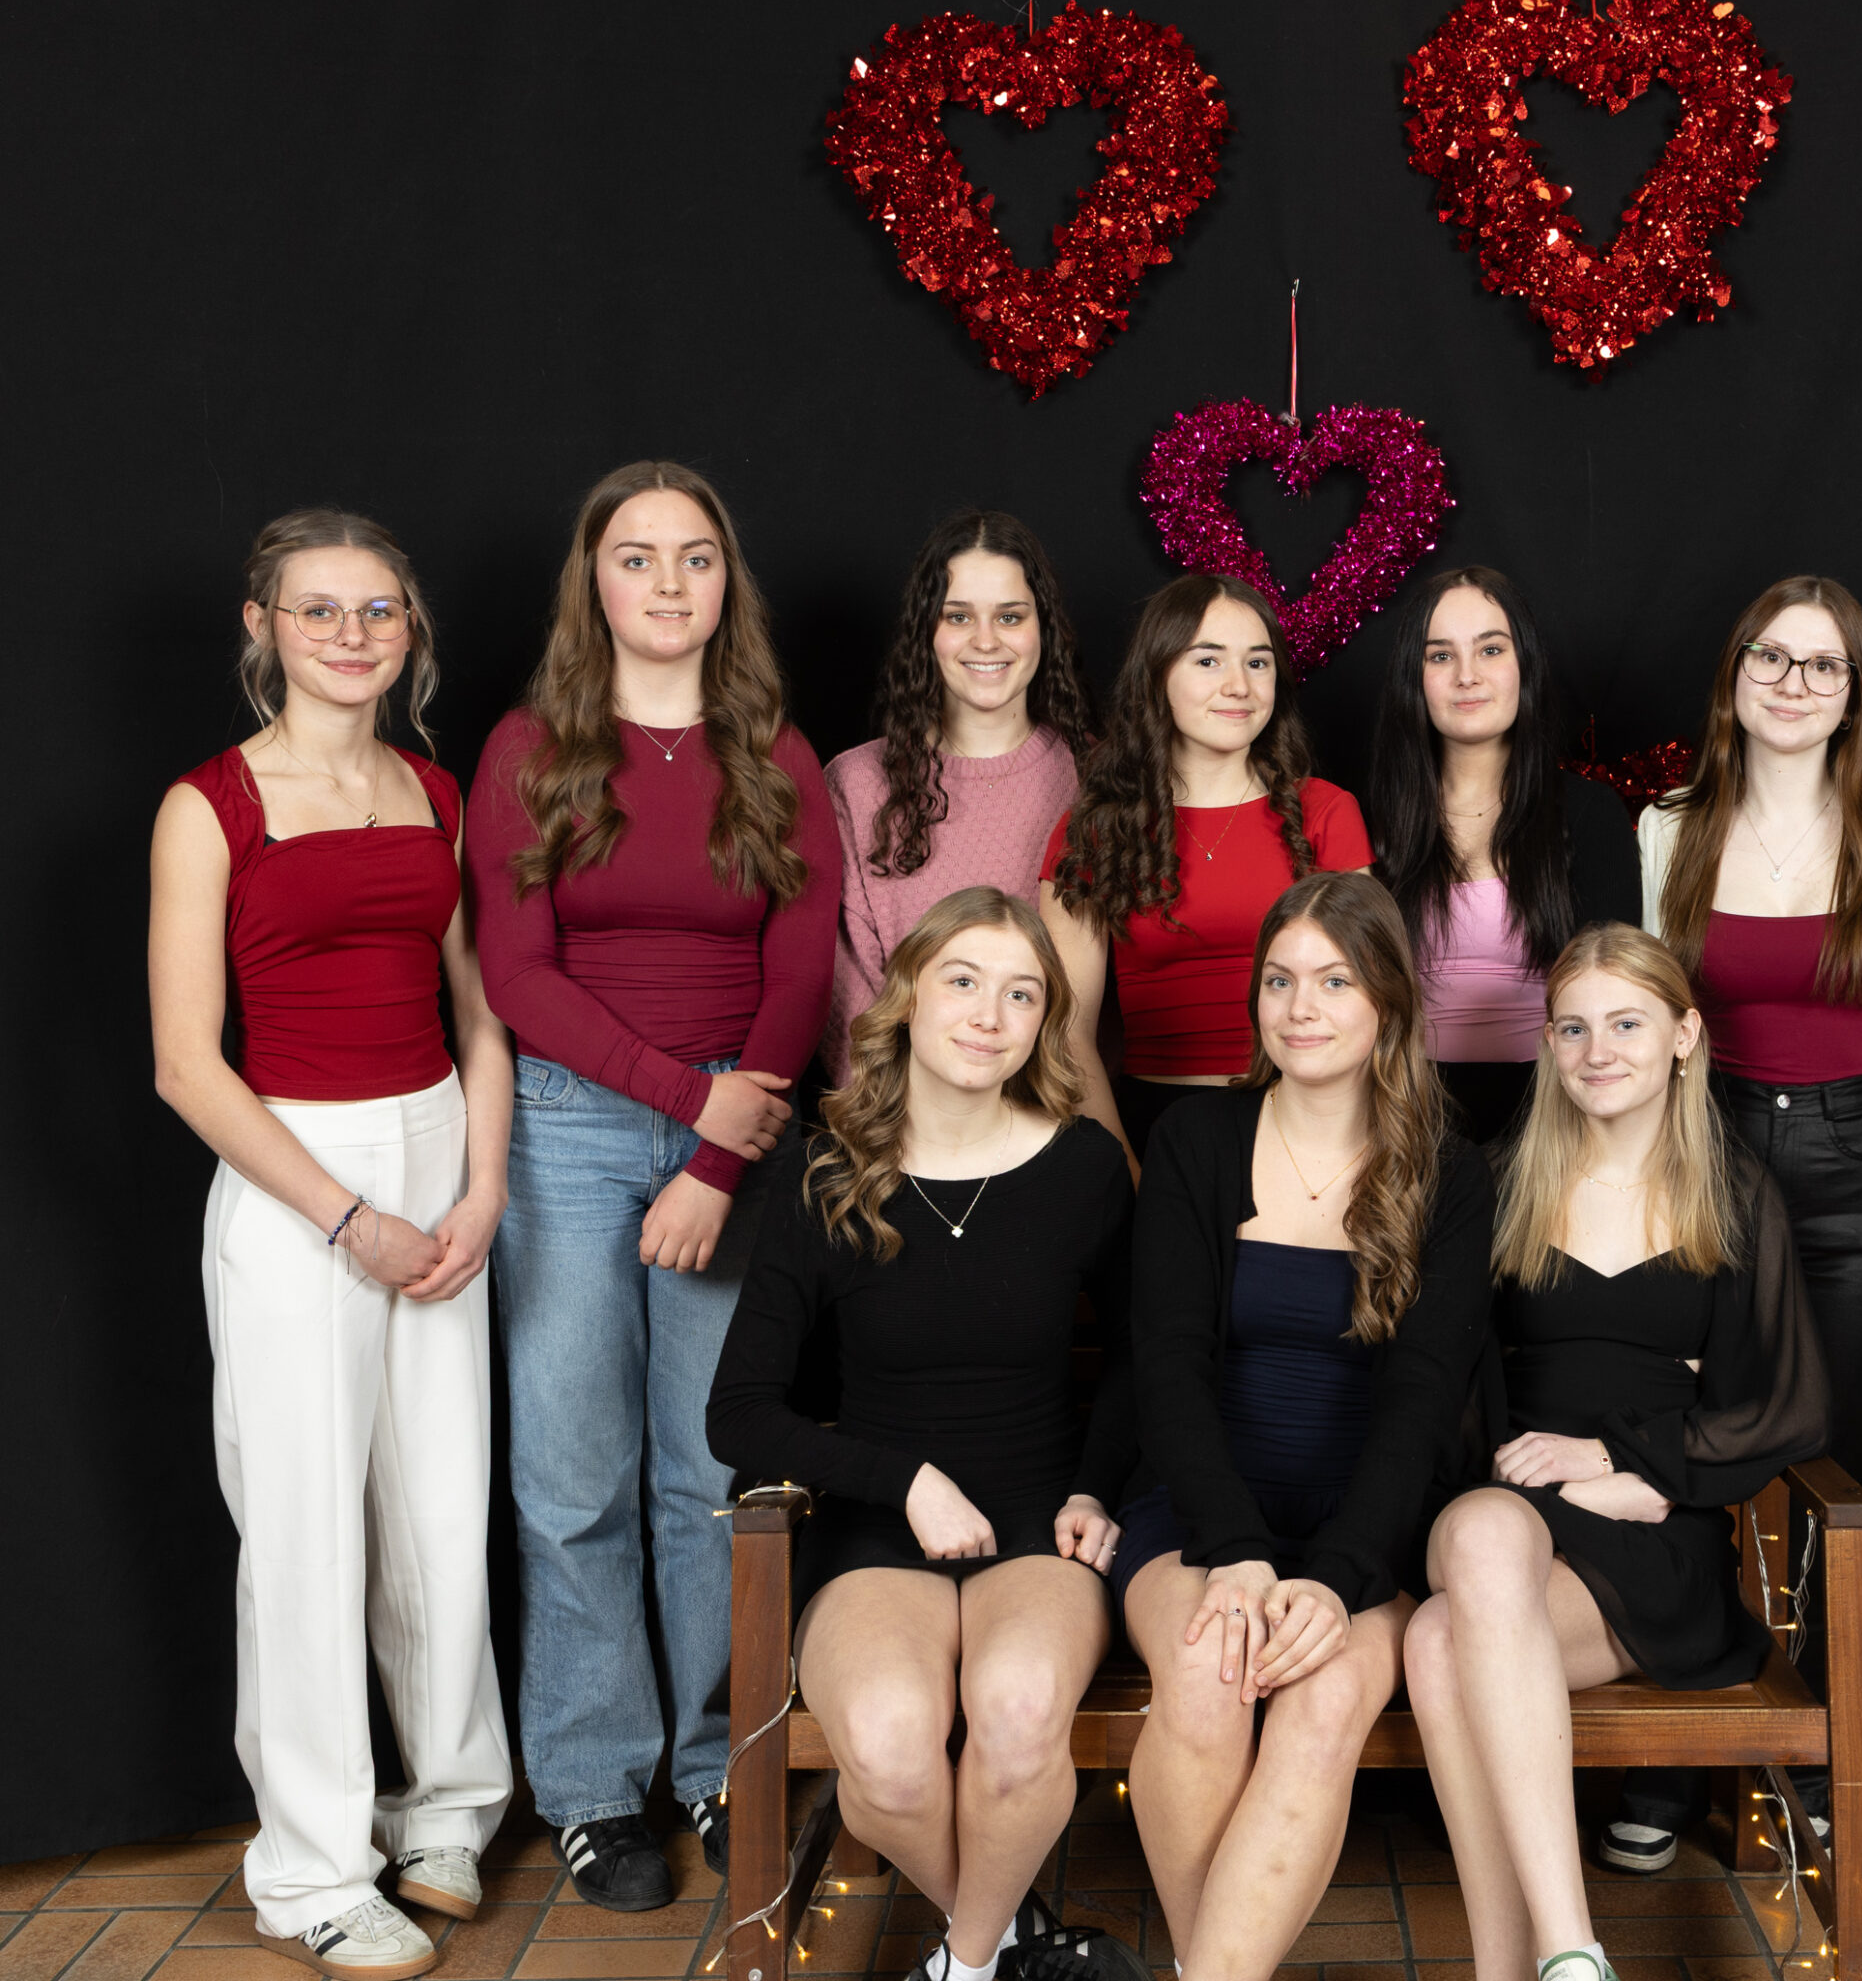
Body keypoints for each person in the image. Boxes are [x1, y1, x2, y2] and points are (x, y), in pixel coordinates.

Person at [466, 461, 842, 1910]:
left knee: (711, 1477)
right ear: (595, 582)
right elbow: (516, 978)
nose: (669, 583)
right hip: (568, 1129)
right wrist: (688, 1107)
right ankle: (591, 1785)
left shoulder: (776, 754)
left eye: (696, 556)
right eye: (638, 557)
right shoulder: (530, 749)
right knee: (571, 1482)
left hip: (736, 1137)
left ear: (725, 582)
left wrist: (715, 1159)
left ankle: (713, 1764)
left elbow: (799, 974)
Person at [150, 511, 512, 1979]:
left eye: (378, 610)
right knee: (305, 1532)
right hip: (296, 1174)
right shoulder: (210, 805)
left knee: (441, 1509)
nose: (352, 635)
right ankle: (310, 1870)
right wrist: (349, 1218)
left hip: (440, 1157)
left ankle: (450, 1809)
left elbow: (480, 1013)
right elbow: (187, 1064)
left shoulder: (434, 788)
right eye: (319, 610)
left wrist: (482, 1188)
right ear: (263, 626)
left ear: (408, 629)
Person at [707, 888, 1143, 1981]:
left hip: (1041, 1520)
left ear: (1045, 1024)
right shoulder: (826, 1170)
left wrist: (1095, 1487)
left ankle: (964, 1964)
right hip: (874, 1529)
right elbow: (739, 1410)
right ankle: (1009, 1943)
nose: (989, 1014)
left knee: (1019, 1711)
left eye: (1022, 994)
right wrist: (903, 1478)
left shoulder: (1084, 1166)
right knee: (892, 1751)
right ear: (907, 996)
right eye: (963, 980)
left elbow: (1149, 1361)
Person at [1403, 923, 1827, 1981]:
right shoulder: (1497, 1183)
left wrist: (1634, 1463)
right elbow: (1439, 1382)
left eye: (1627, 1024)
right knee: (1482, 1537)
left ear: (1683, 1034)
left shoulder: (1732, 1191)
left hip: (1648, 1532)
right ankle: (1571, 1947)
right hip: (1507, 1499)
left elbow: (1791, 1406)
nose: (1598, 1051)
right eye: (1573, 1028)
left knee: (1439, 1646)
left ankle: (1523, 1966)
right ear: (1547, 1042)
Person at [1604, 577, 1862, 1868]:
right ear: (1734, 675)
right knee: (1691, 1438)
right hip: (1709, 1158)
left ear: (1855, 695)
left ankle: (1796, 1753)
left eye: (1823, 665)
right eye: (1771, 658)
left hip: (1859, 1165)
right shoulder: (1668, 828)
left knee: (1816, 1461)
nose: (1794, 684)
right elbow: (1647, 1012)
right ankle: (1674, 1748)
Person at [1115, 873, 1493, 1981]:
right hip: (1197, 1513)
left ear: (1387, 1000)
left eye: (1333, 980)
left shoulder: (1447, 1169)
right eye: (1278, 981)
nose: (1301, 1006)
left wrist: (1333, 1576)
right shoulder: (1196, 1138)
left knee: (1322, 1707)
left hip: (1365, 1531)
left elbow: (1424, 1397)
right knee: (1207, 1672)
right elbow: (1167, 1365)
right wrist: (1233, 1548)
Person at [1040, 574, 1370, 1169]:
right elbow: (1068, 1035)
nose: (1238, 685)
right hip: (1154, 1125)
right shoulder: (1093, 830)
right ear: (1158, 675)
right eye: (1208, 660)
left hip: (1307, 1119)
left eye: (1258, 663)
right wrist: (1124, 1173)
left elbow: (1368, 1000)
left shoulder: (1325, 813)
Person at [1368, 567, 1642, 1143]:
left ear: (1526, 665)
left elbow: (1616, 993)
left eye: (1490, 649)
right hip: (1405, 1119)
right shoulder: (1373, 820)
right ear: (1414, 677)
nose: (1467, 675)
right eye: (1440, 656)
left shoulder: (1591, 815)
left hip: (1557, 1116)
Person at [820, 510, 1094, 1081]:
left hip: (1065, 1114)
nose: (986, 640)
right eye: (958, 616)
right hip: (901, 1117)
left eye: (1010, 616)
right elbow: (849, 1004)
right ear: (927, 630)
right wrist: (913, 1122)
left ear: (1043, 628)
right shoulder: (856, 784)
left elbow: (1113, 1002)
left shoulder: (1098, 777)